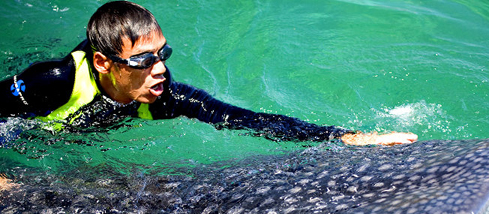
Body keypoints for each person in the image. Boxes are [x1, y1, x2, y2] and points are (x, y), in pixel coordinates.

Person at [0, 1, 417, 146]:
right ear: (105, 64)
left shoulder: (166, 96)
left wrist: (344, 136)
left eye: (162, 53)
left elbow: (245, 120)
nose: (160, 68)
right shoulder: (52, 81)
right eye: (144, 60)